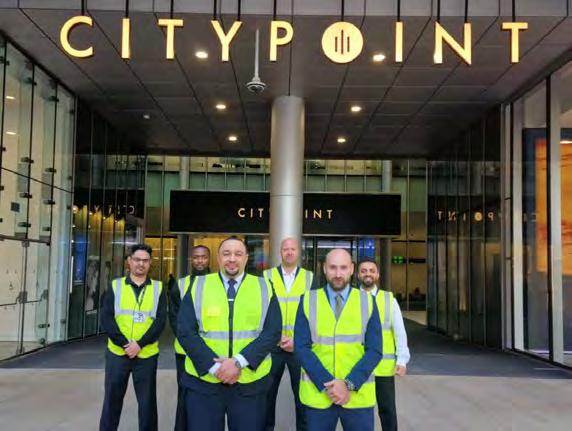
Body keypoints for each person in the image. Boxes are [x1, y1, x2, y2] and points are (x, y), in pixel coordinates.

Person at [177, 237, 281, 431]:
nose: (232, 259)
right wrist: (215, 367)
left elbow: (272, 331)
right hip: (205, 381)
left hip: (249, 382)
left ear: (246, 258)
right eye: (226, 254)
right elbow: (185, 331)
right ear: (218, 257)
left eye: (238, 254)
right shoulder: (198, 285)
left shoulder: (264, 286)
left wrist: (238, 362)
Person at [294, 249, 382, 431]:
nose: (338, 274)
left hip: (357, 396)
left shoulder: (368, 301)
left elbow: (375, 350)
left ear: (352, 269)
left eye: (343, 267)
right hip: (319, 396)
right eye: (333, 267)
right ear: (324, 268)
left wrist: (348, 384)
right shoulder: (308, 300)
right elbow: (301, 347)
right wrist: (329, 385)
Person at [99, 243, 166, 431]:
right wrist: (125, 344)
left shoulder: (158, 288)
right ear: (129, 261)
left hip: (146, 355)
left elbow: (160, 321)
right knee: (112, 400)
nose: (141, 264)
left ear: (150, 263)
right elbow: (107, 318)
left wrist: (140, 344)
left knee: (147, 404)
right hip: (117, 354)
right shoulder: (116, 286)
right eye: (137, 259)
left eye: (145, 260)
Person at [264, 237, 315, 431]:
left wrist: (298, 340)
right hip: (273, 346)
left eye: (293, 249)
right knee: (266, 396)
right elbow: (262, 311)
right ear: (280, 252)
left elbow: (315, 313)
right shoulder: (267, 276)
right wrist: (275, 337)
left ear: (298, 252)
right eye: (286, 249)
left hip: (298, 346)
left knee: (303, 397)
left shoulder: (310, 278)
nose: (289, 252)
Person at [357, 257, 410, 431]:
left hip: (383, 367)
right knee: (359, 412)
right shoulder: (349, 299)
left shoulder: (389, 300)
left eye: (371, 271)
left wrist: (402, 360)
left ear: (378, 275)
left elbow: (399, 332)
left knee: (387, 410)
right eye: (364, 271)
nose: (368, 274)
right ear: (358, 274)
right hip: (357, 366)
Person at [169, 245, 211, 431]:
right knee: (184, 394)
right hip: (184, 352)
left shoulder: (219, 283)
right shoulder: (180, 285)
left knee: (210, 396)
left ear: (209, 259)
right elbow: (174, 318)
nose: (200, 260)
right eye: (196, 257)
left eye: (203, 257)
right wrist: (190, 343)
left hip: (211, 352)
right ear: (191, 259)